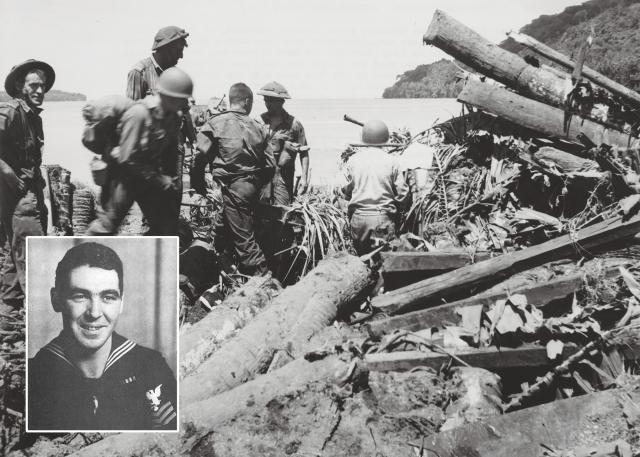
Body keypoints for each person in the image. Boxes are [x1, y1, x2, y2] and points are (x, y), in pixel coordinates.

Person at [28, 242, 177, 431]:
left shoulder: (149, 367)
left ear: (121, 303)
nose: (95, 312)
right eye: (80, 296)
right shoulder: (34, 376)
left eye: (108, 297)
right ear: (56, 299)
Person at [86, 67, 194, 235]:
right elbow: (126, 159)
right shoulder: (139, 114)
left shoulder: (173, 118)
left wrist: (170, 181)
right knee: (106, 226)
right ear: (167, 96)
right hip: (122, 178)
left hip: (147, 178)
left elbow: (170, 153)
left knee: (165, 227)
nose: (185, 103)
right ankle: (81, 252)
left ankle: (151, 257)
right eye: (181, 99)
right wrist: (158, 179)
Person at [191, 83, 275, 275]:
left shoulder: (215, 123)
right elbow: (270, 166)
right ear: (247, 101)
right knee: (223, 229)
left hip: (233, 189)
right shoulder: (258, 126)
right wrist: (256, 184)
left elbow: (199, 158)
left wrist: (198, 184)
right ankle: (220, 265)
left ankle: (263, 278)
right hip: (250, 188)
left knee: (244, 240)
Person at [0, 59, 55, 308]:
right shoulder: (10, 112)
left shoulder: (34, 118)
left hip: (31, 194)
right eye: (33, 86)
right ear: (21, 87)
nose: (39, 91)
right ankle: (40, 319)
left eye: (42, 86)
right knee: (34, 257)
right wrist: (8, 173)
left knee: (15, 259)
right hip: (18, 198)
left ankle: (9, 329)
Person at [341, 120, 410, 256]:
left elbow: (346, 190)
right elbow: (402, 194)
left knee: (362, 259)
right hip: (382, 219)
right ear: (385, 138)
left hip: (358, 219)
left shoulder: (354, 160)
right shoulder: (392, 161)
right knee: (383, 261)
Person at [256, 81, 309, 205]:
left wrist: (305, 178)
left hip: (284, 177)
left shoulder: (294, 124)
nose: (267, 104)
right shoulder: (258, 121)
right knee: (261, 212)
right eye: (266, 100)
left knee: (282, 212)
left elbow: (304, 152)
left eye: (271, 100)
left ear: (281, 101)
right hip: (262, 176)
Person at [126, 25, 189, 100]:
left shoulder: (174, 75)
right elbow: (133, 110)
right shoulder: (139, 73)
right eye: (178, 51)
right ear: (166, 48)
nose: (181, 56)